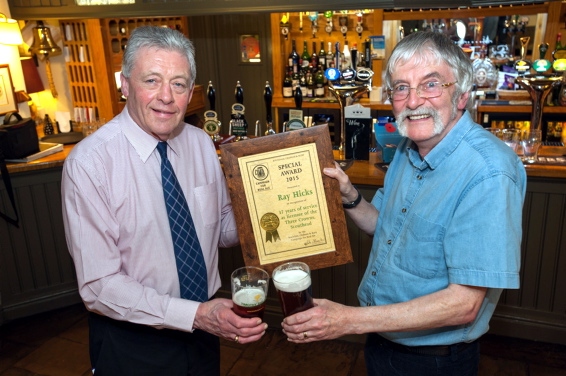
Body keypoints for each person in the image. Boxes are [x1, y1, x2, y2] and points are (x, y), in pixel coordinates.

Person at [282, 31, 526, 375]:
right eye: (401, 87)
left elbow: (464, 305)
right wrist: (349, 195)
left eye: (430, 84)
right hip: (383, 340)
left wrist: (348, 320)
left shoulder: (489, 172)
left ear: (461, 95)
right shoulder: (410, 147)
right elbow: (385, 228)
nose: (413, 101)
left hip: (434, 360)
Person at [61, 26, 266, 375]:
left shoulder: (201, 144)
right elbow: (98, 285)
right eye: (152, 80)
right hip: (133, 339)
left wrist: (271, 205)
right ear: (125, 85)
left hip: (203, 330)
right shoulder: (90, 164)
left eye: (179, 83)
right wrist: (195, 315)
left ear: (191, 91)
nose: (166, 97)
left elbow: (223, 231)